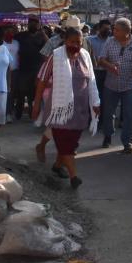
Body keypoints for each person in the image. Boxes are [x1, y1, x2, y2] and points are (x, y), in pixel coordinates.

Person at [32, 28, 100, 189]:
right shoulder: (55, 56)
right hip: (59, 108)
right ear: (65, 41)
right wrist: (35, 105)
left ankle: (57, 165)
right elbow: (41, 81)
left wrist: (96, 103)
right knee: (64, 142)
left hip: (80, 110)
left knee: (72, 142)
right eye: (72, 42)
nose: (76, 45)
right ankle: (74, 176)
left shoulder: (85, 56)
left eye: (79, 41)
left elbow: (92, 81)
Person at [98, 18, 132, 153]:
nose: (113, 31)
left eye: (116, 30)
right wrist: (110, 66)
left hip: (130, 85)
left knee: (128, 114)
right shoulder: (109, 41)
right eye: (114, 29)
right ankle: (108, 136)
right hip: (111, 85)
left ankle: (127, 142)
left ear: (126, 31)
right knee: (108, 113)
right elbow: (101, 60)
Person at [14, 16, 48, 121]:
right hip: (23, 68)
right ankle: (18, 114)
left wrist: (44, 34)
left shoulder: (42, 36)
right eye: (31, 22)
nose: (33, 24)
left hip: (37, 69)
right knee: (21, 92)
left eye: (35, 22)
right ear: (28, 24)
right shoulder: (20, 35)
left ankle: (32, 114)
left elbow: (50, 46)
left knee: (33, 93)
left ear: (39, 24)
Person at [87, 19, 111, 125]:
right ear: (99, 28)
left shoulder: (112, 41)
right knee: (92, 95)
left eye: (109, 29)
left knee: (105, 97)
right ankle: (91, 118)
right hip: (93, 72)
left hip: (107, 73)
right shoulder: (89, 40)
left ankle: (102, 120)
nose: (107, 31)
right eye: (105, 29)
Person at [3, 25, 20, 123]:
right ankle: (5, 113)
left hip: (15, 70)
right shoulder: (2, 44)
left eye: (11, 31)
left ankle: (9, 112)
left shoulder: (16, 43)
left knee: (12, 93)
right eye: (7, 31)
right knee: (6, 93)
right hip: (4, 71)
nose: (9, 33)